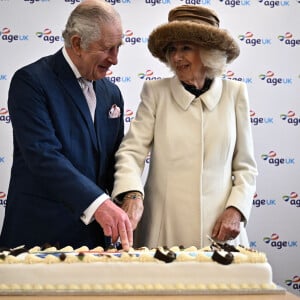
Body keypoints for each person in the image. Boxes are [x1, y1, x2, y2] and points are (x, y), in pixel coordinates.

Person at [111, 5, 258, 249]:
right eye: (172, 49)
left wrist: (236, 209)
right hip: (164, 229)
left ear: (208, 52)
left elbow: (246, 167)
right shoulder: (155, 93)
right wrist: (132, 194)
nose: (177, 57)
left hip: (219, 232)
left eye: (186, 48)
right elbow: (131, 152)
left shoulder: (235, 94)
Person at [0, 0, 133, 251]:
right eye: (107, 49)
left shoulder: (111, 93)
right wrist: (100, 204)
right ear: (77, 43)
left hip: (96, 242)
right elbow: (43, 155)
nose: (115, 59)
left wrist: (130, 195)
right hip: (40, 238)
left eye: (118, 48)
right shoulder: (30, 82)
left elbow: (117, 158)